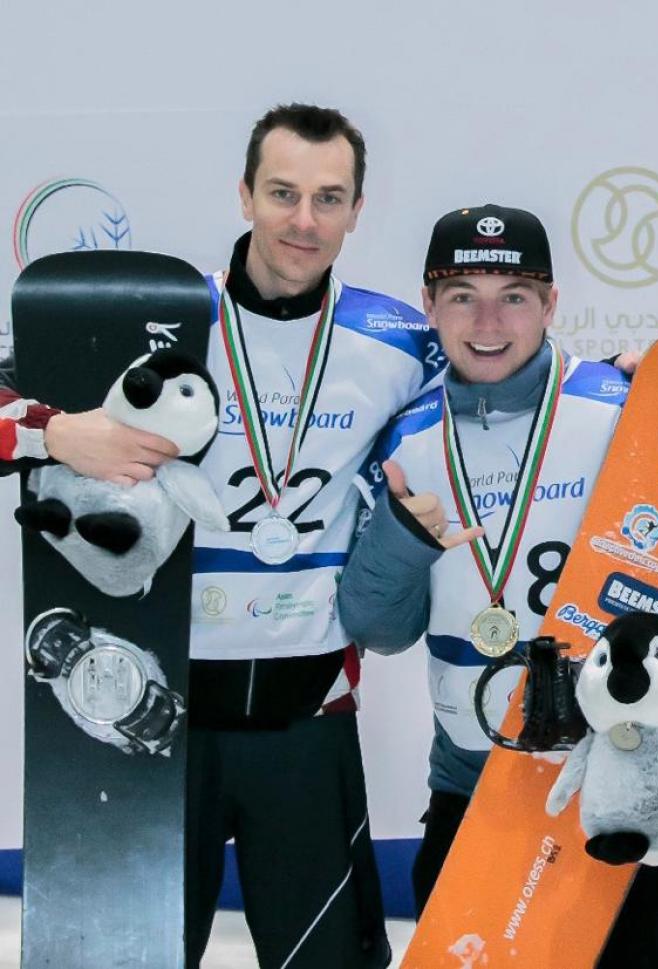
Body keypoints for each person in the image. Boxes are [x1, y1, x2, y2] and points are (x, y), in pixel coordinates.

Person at [1, 102, 441, 969]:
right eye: (282, 192)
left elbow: (510, 401)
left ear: (358, 208)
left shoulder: (400, 341)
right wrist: (57, 434)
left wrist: (623, 382)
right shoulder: (154, 318)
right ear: (244, 195)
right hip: (156, 725)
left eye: (328, 197)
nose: (303, 221)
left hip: (307, 723)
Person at [336, 202, 658, 967]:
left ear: (550, 304)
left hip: (623, 784)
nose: (488, 319)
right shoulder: (404, 436)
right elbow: (379, 627)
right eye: (461, 295)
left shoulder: (624, 411)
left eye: (513, 294)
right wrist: (403, 539)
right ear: (428, 304)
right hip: (473, 790)